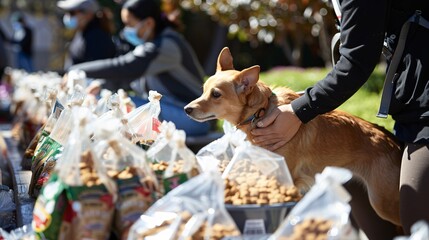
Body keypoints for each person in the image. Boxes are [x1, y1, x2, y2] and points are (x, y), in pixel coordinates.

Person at [251, 0, 429, 237]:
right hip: (411, 109)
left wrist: (299, 111)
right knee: (382, 229)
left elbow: (356, 63)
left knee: (417, 226)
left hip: (424, 113)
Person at [68, 0, 210, 137]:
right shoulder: (153, 44)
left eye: (129, 24)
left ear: (148, 23)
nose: (125, 31)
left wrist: (74, 70)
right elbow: (128, 78)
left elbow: (124, 67)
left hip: (193, 118)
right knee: (108, 99)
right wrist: (101, 84)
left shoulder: (165, 45)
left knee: (116, 103)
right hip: (176, 111)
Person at [57, 0, 117, 69]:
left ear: (88, 14)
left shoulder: (97, 38)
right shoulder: (82, 32)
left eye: (72, 13)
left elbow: (96, 69)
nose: (69, 17)